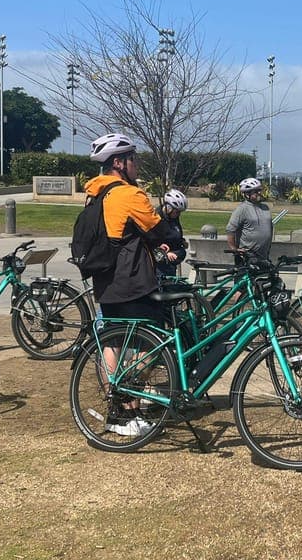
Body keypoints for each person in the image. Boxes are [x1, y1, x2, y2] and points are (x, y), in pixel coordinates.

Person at [84, 132, 174, 436]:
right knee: (153, 343)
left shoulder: (95, 192)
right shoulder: (128, 194)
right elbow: (158, 229)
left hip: (106, 279)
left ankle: (123, 412)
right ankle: (126, 406)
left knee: (115, 343)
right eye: (133, 159)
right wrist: (166, 239)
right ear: (119, 163)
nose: (137, 164)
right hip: (132, 279)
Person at [226, 177, 272, 260]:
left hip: (263, 255)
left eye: (260, 190)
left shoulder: (265, 208)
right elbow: (230, 230)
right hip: (247, 256)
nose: (259, 193)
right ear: (247, 194)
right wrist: (234, 248)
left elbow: (270, 228)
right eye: (256, 191)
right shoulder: (242, 209)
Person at [155, 188, 189, 278]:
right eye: (177, 211)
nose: (178, 214)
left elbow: (174, 234)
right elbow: (152, 240)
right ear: (168, 208)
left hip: (172, 262)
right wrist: (165, 254)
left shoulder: (173, 218)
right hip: (160, 263)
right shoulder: (156, 219)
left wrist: (181, 241)